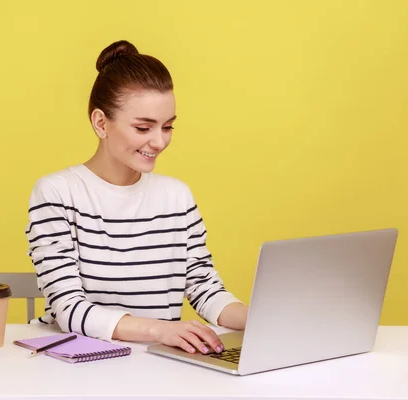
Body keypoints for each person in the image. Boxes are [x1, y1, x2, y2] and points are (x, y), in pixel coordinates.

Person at [25, 40, 248, 355]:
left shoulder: (176, 196)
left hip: (156, 363)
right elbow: (69, 309)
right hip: (76, 365)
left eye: (167, 127)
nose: (158, 142)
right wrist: (160, 329)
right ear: (101, 122)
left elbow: (204, 289)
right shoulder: (58, 192)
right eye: (143, 128)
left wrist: (257, 318)